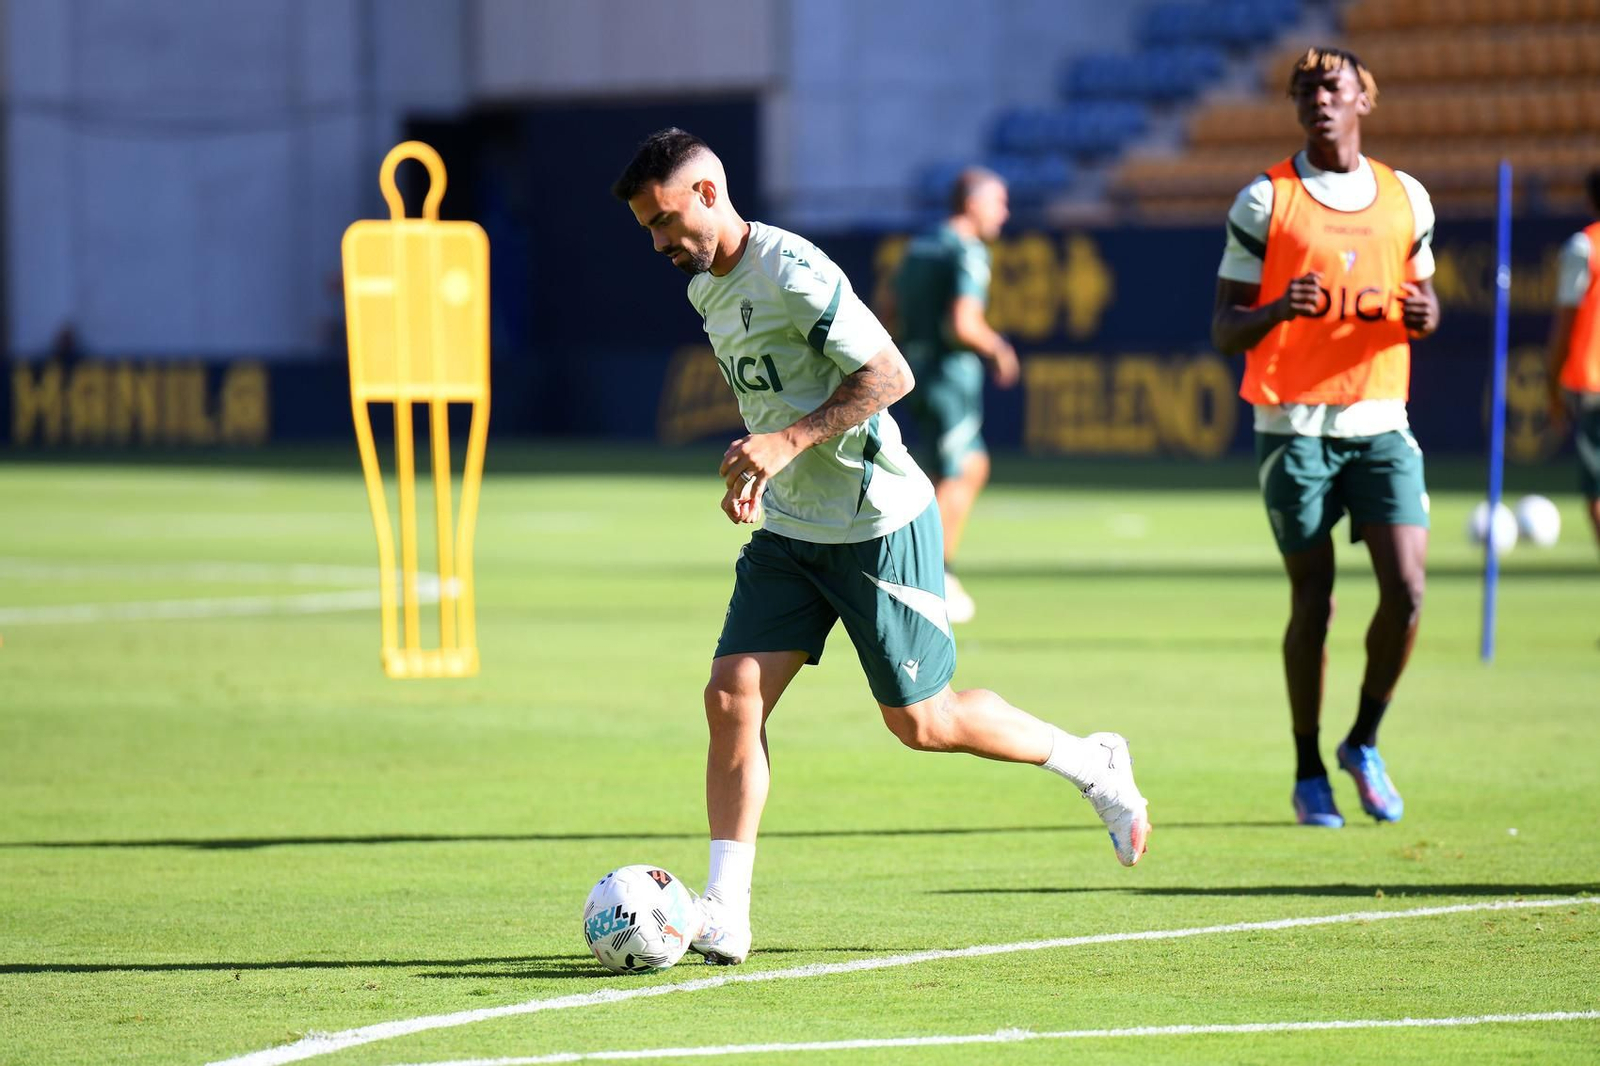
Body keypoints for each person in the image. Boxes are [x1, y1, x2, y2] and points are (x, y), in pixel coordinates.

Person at [611, 128, 1150, 965]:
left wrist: (786, 445)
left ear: (709, 194)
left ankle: (1093, 763)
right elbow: (777, 403)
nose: (657, 242)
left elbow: (889, 375)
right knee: (731, 698)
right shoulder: (705, 291)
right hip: (791, 531)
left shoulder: (793, 268)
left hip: (876, 524)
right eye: (647, 227)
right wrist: (754, 466)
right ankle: (726, 911)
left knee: (923, 724)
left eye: (665, 219)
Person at [1210, 48, 1440, 828]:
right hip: (1293, 422)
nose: (1318, 99)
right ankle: (1308, 767)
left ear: (1364, 99)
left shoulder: (1408, 196)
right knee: (1315, 599)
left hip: (1380, 419)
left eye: (1332, 86)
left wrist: (1425, 315)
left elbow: (1425, 292)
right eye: (1304, 89)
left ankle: (1363, 742)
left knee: (1407, 589)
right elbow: (1223, 325)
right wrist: (1278, 310)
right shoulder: (1263, 200)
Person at [880, 168, 1019, 623]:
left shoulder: (919, 247)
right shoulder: (966, 250)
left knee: (961, 467)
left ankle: (930, 573)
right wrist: (997, 348)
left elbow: (887, 307)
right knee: (957, 475)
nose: (1005, 213)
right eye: (999, 202)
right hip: (948, 375)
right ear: (974, 203)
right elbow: (964, 324)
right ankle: (932, 575)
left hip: (917, 368)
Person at [1546, 168, 1600, 556]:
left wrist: (1552, 387)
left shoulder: (1584, 248)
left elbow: (1565, 327)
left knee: (1597, 489)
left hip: (1593, 382)